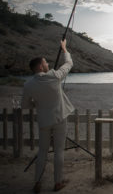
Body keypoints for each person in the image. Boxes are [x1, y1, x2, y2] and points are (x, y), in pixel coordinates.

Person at [21, 39, 74, 193]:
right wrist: (64, 49)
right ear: (40, 66)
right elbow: (69, 64)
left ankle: (37, 182)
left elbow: (25, 105)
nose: (48, 64)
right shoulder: (55, 76)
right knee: (58, 151)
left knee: (42, 151)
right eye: (45, 63)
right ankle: (58, 183)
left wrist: (37, 105)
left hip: (44, 121)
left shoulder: (28, 85)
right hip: (59, 119)